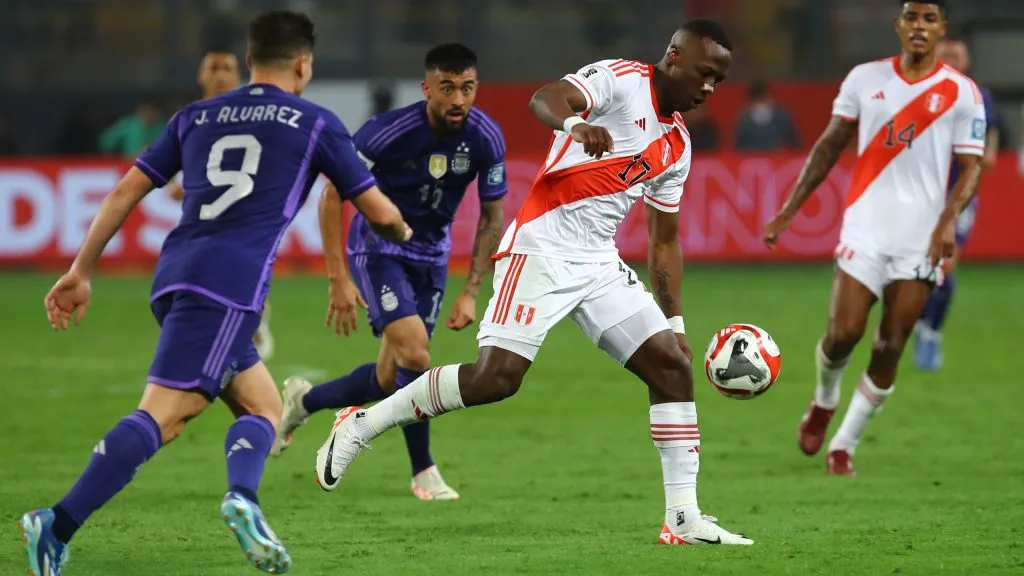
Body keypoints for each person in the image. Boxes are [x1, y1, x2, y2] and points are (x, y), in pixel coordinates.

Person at [312, 20, 755, 545]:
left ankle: (683, 518)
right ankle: (361, 425)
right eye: (704, 73)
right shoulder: (621, 79)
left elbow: (663, 241)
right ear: (675, 56)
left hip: (597, 263)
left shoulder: (677, 146)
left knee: (672, 368)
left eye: (718, 81)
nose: (708, 88)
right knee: (495, 380)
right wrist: (574, 126)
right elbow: (547, 99)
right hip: (540, 248)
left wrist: (675, 319)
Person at [20, 11, 412, 575]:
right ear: (304, 64)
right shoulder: (316, 122)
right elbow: (377, 211)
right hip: (228, 287)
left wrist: (82, 269)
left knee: (263, 406)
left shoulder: (197, 115)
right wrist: (402, 230)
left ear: (249, 62)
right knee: (163, 415)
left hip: (177, 272)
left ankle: (244, 498)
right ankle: (54, 524)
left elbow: (128, 189)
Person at [272, 43, 507, 501]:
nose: (458, 99)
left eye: (467, 88)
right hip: (378, 249)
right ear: (426, 89)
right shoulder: (386, 133)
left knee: (388, 378)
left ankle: (305, 401)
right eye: (447, 88)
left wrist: (471, 290)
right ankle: (423, 471)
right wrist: (337, 278)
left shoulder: (486, 137)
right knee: (417, 357)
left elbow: (492, 217)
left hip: (433, 258)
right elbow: (331, 196)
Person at [762, 0, 986, 476]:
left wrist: (947, 222)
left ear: (942, 29)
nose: (920, 27)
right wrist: (790, 209)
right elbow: (828, 146)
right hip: (865, 225)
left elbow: (971, 168)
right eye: (912, 18)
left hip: (920, 238)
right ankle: (824, 402)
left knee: (890, 344)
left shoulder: (961, 93)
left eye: (930, 19)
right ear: (898, 26)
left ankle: (844, 443)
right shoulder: (864, 79)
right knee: (843, 335)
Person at [161, 49, 279, 361]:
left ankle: (250, 323)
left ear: (239, 75)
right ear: (201, 76)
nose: (220, 74)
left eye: (227, 67)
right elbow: (173, 173)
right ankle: (246, 327)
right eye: (213, 67)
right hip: (202, 224)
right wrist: (178, 187)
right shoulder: (188, 119)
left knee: (233, 284)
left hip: (246, 223)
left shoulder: (259, 117)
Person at [913, 36, 999, 371]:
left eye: (958, 54)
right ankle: (922, 323)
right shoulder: (922, 93)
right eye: (947, 53)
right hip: (921, 194)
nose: (953, 58)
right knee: (917, 268)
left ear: (967, 61)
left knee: (945, 265)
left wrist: (987, 152)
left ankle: (931, 333)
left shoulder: (980, 96)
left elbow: (990, 132)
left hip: (959, 195)